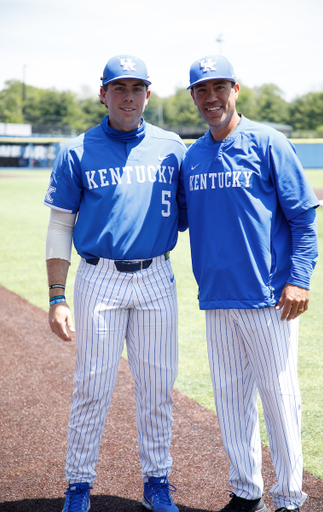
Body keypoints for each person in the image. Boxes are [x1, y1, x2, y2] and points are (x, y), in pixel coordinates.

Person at [44, 54, 187, 512]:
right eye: (119, 88)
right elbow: (60, 225)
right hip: (99, 279)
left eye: (137, 88)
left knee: (158, 386)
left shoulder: (172, 146)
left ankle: (157, 480)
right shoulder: (77, 149)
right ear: (103, 93)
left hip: (157, 278)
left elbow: (192, 213)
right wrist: (56, 295)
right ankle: (79, 484)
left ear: (149, 93)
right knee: (92, 384)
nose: (129, 97)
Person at [177, 55, 319, 512]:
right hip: (216, 299)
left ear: (235, 89)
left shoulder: (269, 142)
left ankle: (291, 498)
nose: (211, 97)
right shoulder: (193, 156)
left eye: (219, 87)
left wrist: (299, 279)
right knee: (231, 401)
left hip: (268, 300)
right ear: (193, 97)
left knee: (280, 401)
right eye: (202, 89)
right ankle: (246, 491)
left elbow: (303, 218)